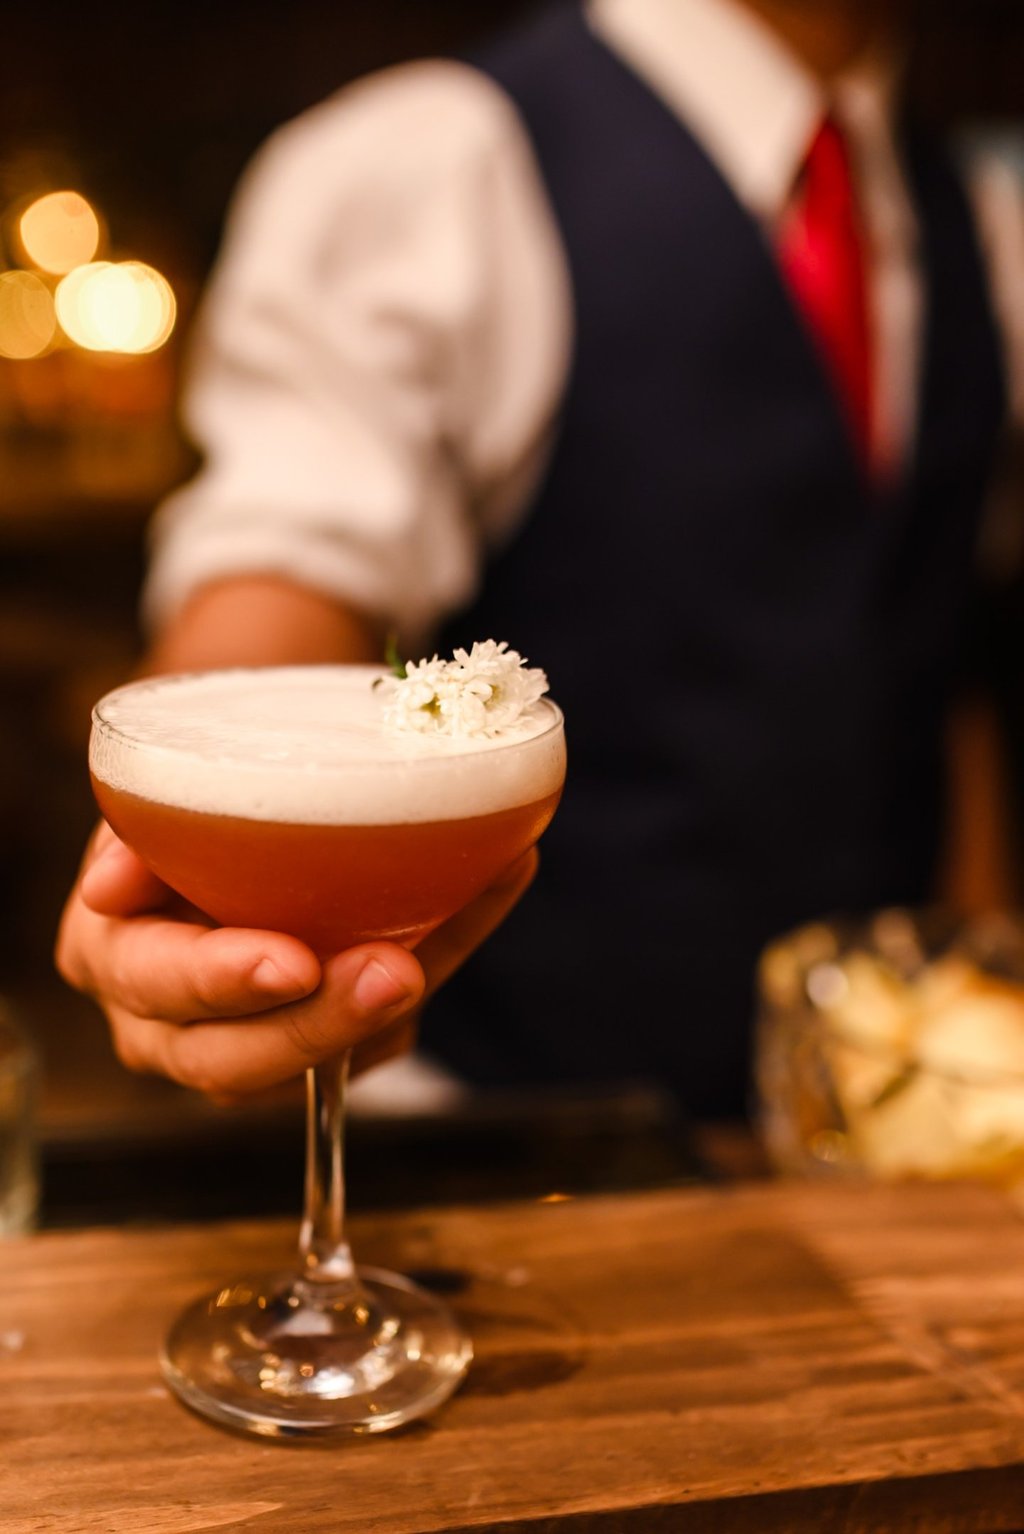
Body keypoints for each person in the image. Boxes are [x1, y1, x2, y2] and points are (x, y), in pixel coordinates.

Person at [57, 0, 1024, 1119]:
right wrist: (197, 885)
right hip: (515, 1137)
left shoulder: (977, 217)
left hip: (859, 1144)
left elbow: (935, 656)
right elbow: (285, 574)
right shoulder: (440, 164)